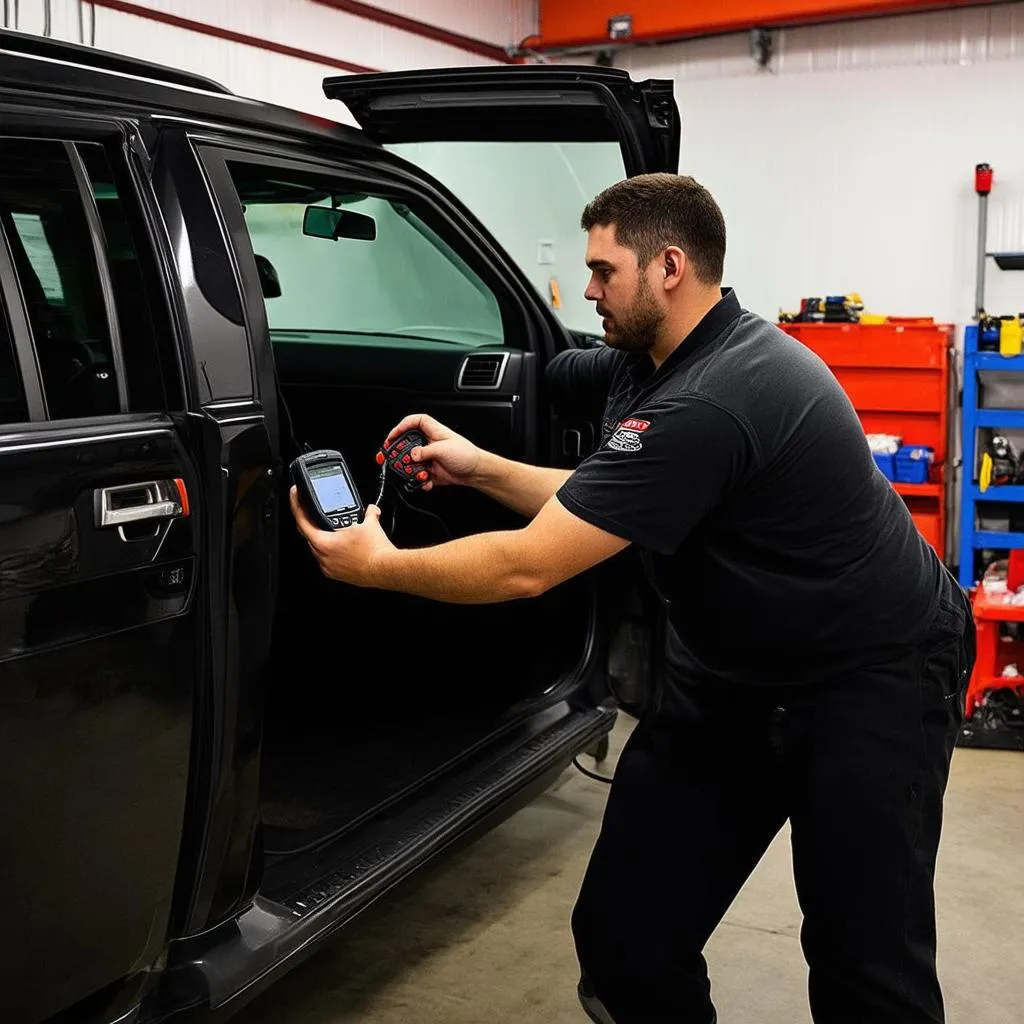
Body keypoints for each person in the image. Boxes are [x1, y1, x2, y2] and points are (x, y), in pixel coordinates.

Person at [290, 173, 976, 1024]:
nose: (587, 290)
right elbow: (604, 489)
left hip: (871, 674)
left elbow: (528, 568)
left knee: (864, 962)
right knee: (627, 938)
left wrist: (377, 564)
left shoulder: (717, 395)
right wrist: (479, 464)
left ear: (670, 268)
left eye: (604, 271)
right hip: (733, 673)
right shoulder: (648, 359)